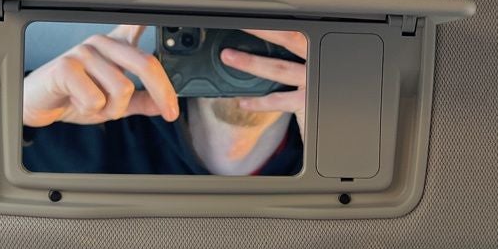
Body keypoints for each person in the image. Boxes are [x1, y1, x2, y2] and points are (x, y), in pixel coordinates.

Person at [21, 25, 306, 175]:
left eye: (271, 26)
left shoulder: (328, 155)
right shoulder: (101, 119)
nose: (244, 52)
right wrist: (17, 113)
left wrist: (328, 129)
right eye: (227, 24)